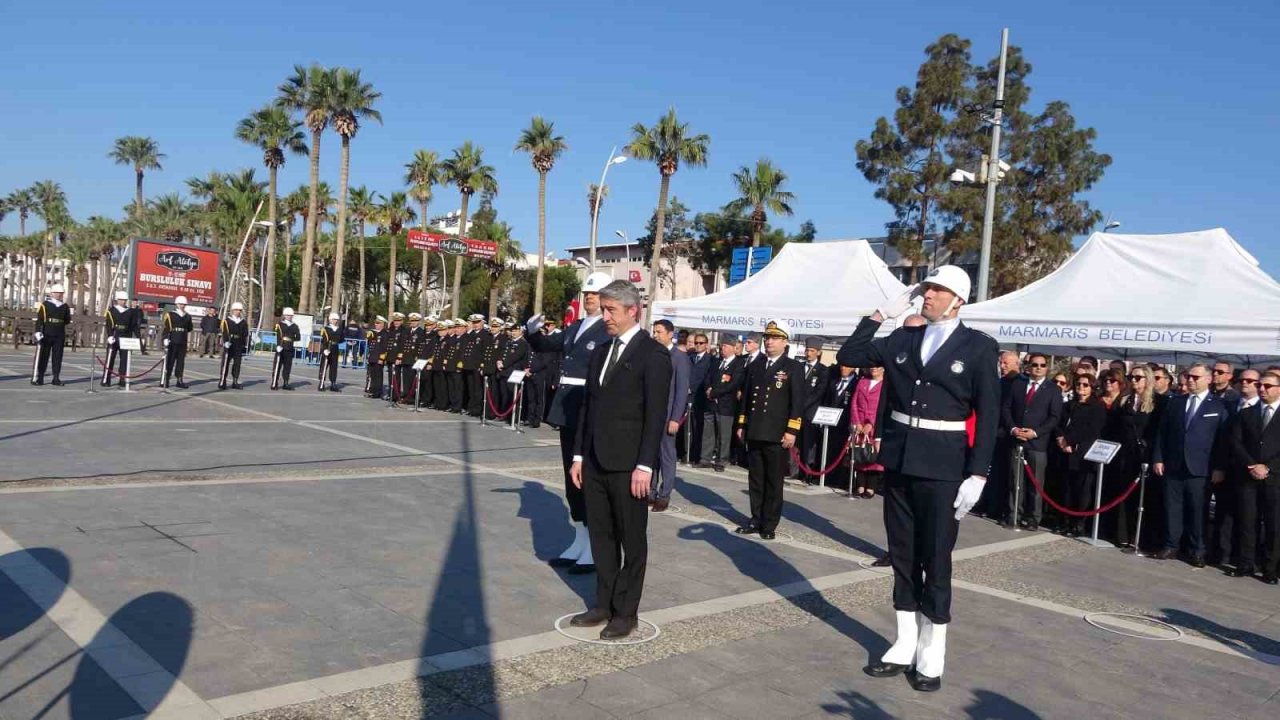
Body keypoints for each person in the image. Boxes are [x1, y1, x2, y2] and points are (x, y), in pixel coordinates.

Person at [838, 265, 999, 693]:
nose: (927, 295)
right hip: (901, 461)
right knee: (903, 553)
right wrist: (879, 315)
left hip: (946, 468)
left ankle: (933, 651)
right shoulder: (903, 339)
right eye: (926, 289)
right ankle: (905, 641)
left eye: (937, 290)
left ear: (957, 300)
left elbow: (989, 417)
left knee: (937, 557)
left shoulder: (979, 347)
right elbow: (849, 356)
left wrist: (978, 474)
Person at [567, 280, 671, 640]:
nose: (604, 316)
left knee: (632, 539)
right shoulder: (600, 351)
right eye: (603, 309)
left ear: (633, 311)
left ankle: (627, 612)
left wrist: (645, 465)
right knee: (601, 536)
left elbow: (655, 416)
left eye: (611, 310)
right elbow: (588, 408)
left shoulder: (653, 355)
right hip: (595, 460)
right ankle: (603, 603)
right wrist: (579, 454)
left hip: (629, 465)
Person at [527, 272, 614, 573]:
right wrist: (531, 331)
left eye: (595, 293)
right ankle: (580, 538)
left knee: (586, 477)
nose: (589, 297)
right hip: (568, 408)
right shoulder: (576, 326)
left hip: (588, 408)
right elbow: (547, 346)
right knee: (570, 478)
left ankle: (594, 547)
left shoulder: (608, 330)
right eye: (586, 293)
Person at [1152, 363, 1229, 566]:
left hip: (1201, 468)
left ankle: (1197, 550)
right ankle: (1171, 545)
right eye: (1189, 377)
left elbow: (1222, 441)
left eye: (1196, 377)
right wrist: (1158, 458)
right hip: (1173, 465)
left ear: (1208, 379)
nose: (1191, 380)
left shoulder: (1218, 405)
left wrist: (1219, 467)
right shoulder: (1176, 402)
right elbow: (1162, 433)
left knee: (1198, 510)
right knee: (1172, 508)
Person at [735, 320, 804, 540]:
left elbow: (797, 403)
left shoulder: (793, 367)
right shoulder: (755, 365)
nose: (769, 342)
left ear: (785, 342)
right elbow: (746, 397)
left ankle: (769, 523)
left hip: (777, 433)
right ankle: (756, 518)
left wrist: (792, 430)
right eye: (767, 337)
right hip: (756, 430)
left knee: (774, 481)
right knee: (756, 478)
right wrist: (742, 424)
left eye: (774, 338)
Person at [1001, 353, 1063, 530]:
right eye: (1034, 364)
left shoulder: (1053, 390)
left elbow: (1054, 417)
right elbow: (1006, 408)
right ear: (1028, 366)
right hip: (1016, 439)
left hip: (1037, 443)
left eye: (1042, 365)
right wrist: (1013, 429)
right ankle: (1014, 513)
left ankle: (1033, 517)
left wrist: (1035, 433)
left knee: (1035, 484)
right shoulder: (1018, 384)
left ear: (1046, 368)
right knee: (1015, 479)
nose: (1038, 368)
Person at [1229, 370, 1280, 584]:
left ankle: (1270, 568)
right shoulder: (1247, 413)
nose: (1262, 389)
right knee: (1248, 521)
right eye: (1260, 385)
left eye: (1267, 386)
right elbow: (1236, 442)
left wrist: (1267, 467)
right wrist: (1252, 464)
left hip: (1274, 478)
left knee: (1273, 524)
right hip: (1249, 475)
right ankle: (1246, 563)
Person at [1211, 367, 1260, 565]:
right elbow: (1223, 440)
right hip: (1228, 469)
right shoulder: (1229, 405)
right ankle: (1222, 554)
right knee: (1223, 513)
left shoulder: (1262, 409)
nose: (1244, 383)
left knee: (1248, 517)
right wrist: (1219, 466)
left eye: (1250, 381)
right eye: (1242, 380)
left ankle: (1246, 557)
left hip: (1251, 471)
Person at [1056, 374, 1107, 536]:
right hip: (1065, 451)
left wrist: (1070, 441)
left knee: (1082, 491)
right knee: (1066, 489)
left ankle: (1078, 524)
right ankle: (1064, 521)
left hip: (1083, 454)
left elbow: (1092, 430)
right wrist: (1061, 439)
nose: (1081, 387)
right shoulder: (1070, 405)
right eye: (1079, 384)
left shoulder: (1097, 407)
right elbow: (1059, 423)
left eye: (1085, 385)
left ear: (1092, 388)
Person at [649, 320, 691, 512]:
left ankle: (664, 495)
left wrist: (675, 418)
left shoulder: (679, 357)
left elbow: (681, 391)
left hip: (667, 415)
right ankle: (650, 491)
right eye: (654, 331)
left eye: (659, 332)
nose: (655, 335)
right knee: (651, 454)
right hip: (651, 413)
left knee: (666, 455)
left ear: (670, 334)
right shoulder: (652, 353)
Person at [698, 337, 747, 472]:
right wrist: (708, 389)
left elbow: (733, 384)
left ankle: (721, 459)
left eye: (725, 346)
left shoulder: (739, 364)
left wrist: (714, 392)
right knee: (708, 432)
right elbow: (707, 377)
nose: (722, 348)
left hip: (726, 405)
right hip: (711, 403)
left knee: (723, 435)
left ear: (732, 347)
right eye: (721, 346)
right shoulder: (717, 362)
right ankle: (705, 458)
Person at [795, 337, 830, 482]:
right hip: (796, 411)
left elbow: (819, 392)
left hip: (810, 412)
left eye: (812, 351)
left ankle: (808, 471)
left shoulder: (823, 370)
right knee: (796, 442)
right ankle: (794, 469)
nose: (808, 353)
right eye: (807, 350)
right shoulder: (798, 366)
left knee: (809, 443)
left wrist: (802, 405)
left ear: (819, 352)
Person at [850, 365, 885, 498]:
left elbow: (883, 407)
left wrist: (871, 424)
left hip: (875, 426)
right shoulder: (862, 382)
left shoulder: (885, 385)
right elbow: (854, 403)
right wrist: (857, 422)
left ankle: (871, 487)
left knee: (873, 456)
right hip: (859, 424)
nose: (873, 368)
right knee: (859, 454)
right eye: (872, 366)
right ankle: (860, 485)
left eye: (877, 366)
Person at [32, 284, 72, 386]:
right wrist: (37, 331)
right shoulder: (45, 305)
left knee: (58, 357)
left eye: (61, 293)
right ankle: (40, 377)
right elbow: (40, 319)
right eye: (57, 293)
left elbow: (67, 320)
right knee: (43, 356)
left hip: (59, 334)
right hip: (46, 333)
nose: (59, 295)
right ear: (52, 293)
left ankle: (56, 378)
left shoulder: (65, 306)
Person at [685, 333, 714, 465]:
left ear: (706, 345)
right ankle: (686, 453)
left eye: (701, 343)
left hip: (700, 398)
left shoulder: (710, 360)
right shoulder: (690, 357)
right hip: (687, 396)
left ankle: (696, 456)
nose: (697, 345)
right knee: (687, 428)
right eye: (696, 343)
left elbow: (706, 378)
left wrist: (693, 388)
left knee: (698, 428)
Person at [525, 320, 560, 428]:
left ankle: (537, 419)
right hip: (529, 374)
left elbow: (544, 362)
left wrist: (531, 370)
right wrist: (526, 368)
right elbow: (527, 357)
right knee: (531, 398)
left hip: (540, 375)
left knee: (540, 399)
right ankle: (530, 418)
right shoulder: (533, 346)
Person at [102, 290, 138, 388]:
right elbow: (109, 324)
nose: (123, 302)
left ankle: (122, 379)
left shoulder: (130, 311)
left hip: (125, 337)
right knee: (110, 358)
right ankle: (106, 378)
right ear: (117, 300)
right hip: (114, 336)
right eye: (121, 300)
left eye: (125, 300)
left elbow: (133, 326)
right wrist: (109, 335)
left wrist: (137, 337)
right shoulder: (112, 311)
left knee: (124, 360)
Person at [159, 296, 193, 389]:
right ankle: (166, 379)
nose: (182, 306)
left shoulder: (187, 316)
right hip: (173, 340)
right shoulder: (170, 315)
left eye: (184, 304)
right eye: (181, 304)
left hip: (182, 340)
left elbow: (190, 328)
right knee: (169, 361)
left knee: (181, 362)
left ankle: (179, 379)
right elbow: (167, 327)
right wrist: (165, 338)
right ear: (176, 304)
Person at [218, 302, 249, 390]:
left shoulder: (243, 322)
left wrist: (244, 345)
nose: (238, 312)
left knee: (237, 364)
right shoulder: (227, 321)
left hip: (238, 344)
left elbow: (245, 334)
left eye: (239, 310)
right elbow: (224, 332)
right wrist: (225, 342)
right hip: (229, 344)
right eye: (236, 310)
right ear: (232, 310)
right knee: (225, 363)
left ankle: (235, 381)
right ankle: (222, 380)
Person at [273, 307, 302, 391]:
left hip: (289, 347)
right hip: (281, 347)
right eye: (287, 315)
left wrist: (291, 339)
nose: (289, 316)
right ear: (284, 315)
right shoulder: (280, 324)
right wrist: (278, 345)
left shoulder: (295, 326)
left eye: (290, 315)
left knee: (287, 367)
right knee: (277, 366)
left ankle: (286, 383)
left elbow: (298, 337)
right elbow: (278, 335)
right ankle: (274, 382)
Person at [318, 312, 344, 392]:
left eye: (336, 320)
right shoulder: (326, 329)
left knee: (334, 366)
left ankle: (333, 383)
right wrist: (325, 349)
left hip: (335, 348)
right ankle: (321, 383)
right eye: (333, 319)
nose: (335, 321)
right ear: (330, 320)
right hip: (327, 347)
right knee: (324, 366)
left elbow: (342, 339)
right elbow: (324, 340)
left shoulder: (339, 329)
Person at [364, 316, 387, 398]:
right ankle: (372, 390)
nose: (376, 325)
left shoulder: (384, 333)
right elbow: (370, 344)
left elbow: (384, 347)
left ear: (382, 324)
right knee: (372, 375)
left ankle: (378, 392)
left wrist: (381, 358)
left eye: (378, 323)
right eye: (375, 323)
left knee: (378, 376)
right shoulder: (374, 333)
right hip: (372, 357)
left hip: (379, 358)